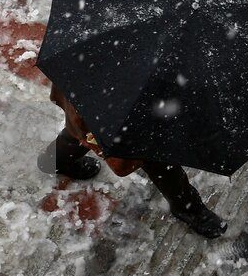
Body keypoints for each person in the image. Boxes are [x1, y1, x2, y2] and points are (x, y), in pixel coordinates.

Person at [40, 84, 227, 239]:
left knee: (81, 129)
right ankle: (188, 208)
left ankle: (55, 160)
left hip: (91, 91)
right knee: (156, 159)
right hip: (121, 105)